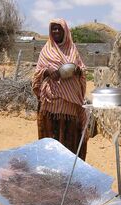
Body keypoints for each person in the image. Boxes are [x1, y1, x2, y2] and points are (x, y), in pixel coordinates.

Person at [32, 18, 88, 160]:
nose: (56, 31)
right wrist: (47, 71)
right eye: (53, 29)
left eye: (59, 28)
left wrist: (76, 70)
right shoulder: (46, 51)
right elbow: (37, 74)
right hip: (50, 107)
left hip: (70, 107)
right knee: (51, 145)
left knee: (69, 147)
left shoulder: (72, 50)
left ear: (65, 31)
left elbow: (82, 70)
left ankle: (69, 176)